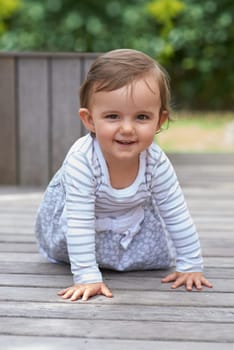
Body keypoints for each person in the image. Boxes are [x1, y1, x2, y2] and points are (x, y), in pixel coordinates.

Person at [35, 48, 212, 302]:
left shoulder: (155, 161)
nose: (127, 129)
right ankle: (90, 263)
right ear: (89, 120)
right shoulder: (82, 160)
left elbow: (176, 213)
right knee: (72, 248)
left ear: (159, 121)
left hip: (131, 226)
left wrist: (191, 264)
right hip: (80, 228)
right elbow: (79, 222)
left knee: (155, 259)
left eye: (141, 117)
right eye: (112, 116)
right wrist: (87, 277)